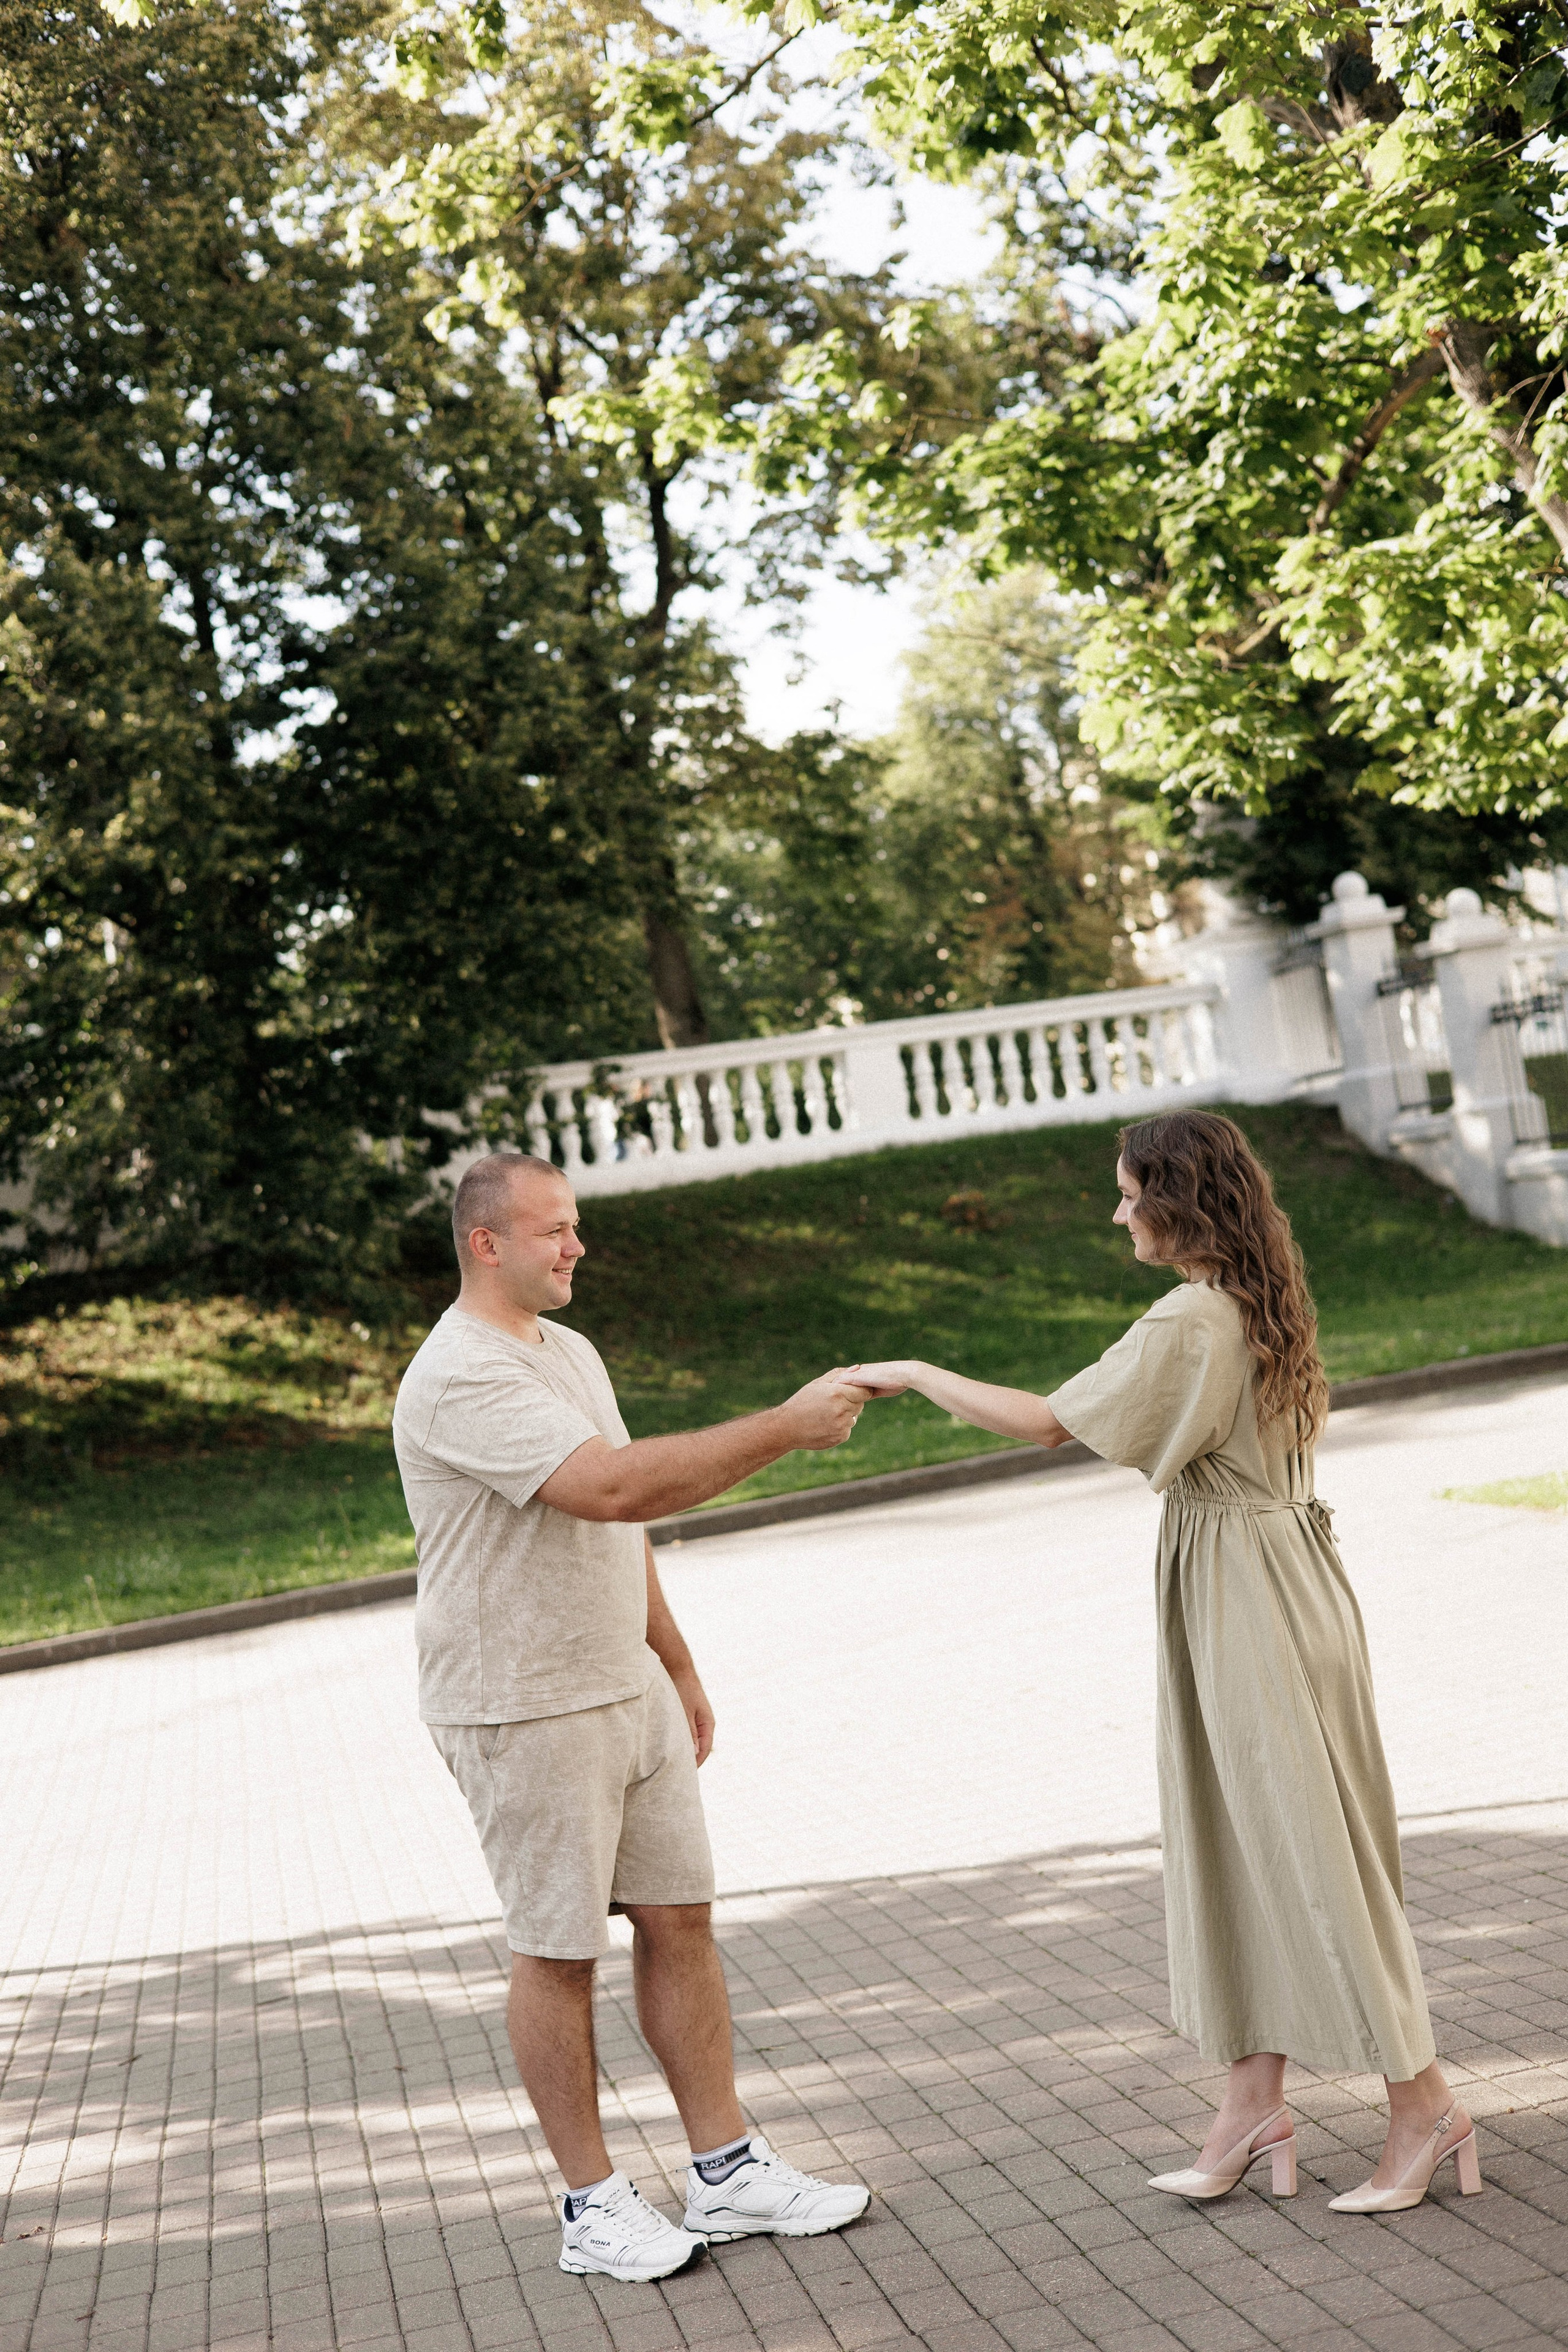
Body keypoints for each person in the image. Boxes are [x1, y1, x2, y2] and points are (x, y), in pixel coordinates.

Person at [850, 1109, 1482, 2217]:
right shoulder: (1255, 1295)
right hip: (1282, 1584)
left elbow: (1048, 1422)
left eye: (1130, 1193)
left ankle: (1424, 2105)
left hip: (1249, 1602)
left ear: (1177, 1201)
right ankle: (1250, 2109)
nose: (1117, 1213)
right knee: (1245, 1844)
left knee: (1310, 1856)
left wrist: (913, 1369)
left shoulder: (1191, 1318)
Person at [393, 1150, 874, 2282]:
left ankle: (726, 2172)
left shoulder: (567, 1350)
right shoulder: (458, 1374)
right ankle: (592, 2206)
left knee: (680, 1921)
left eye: (575, 1225)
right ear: (486, 1245)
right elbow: (615, 1486)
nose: (578, 1246)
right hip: (523, 1704)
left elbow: (621, 1522)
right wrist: (786, 1427)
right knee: (558, 1953)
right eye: (553, 1230)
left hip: (625, 1686)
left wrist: (677, 1662)